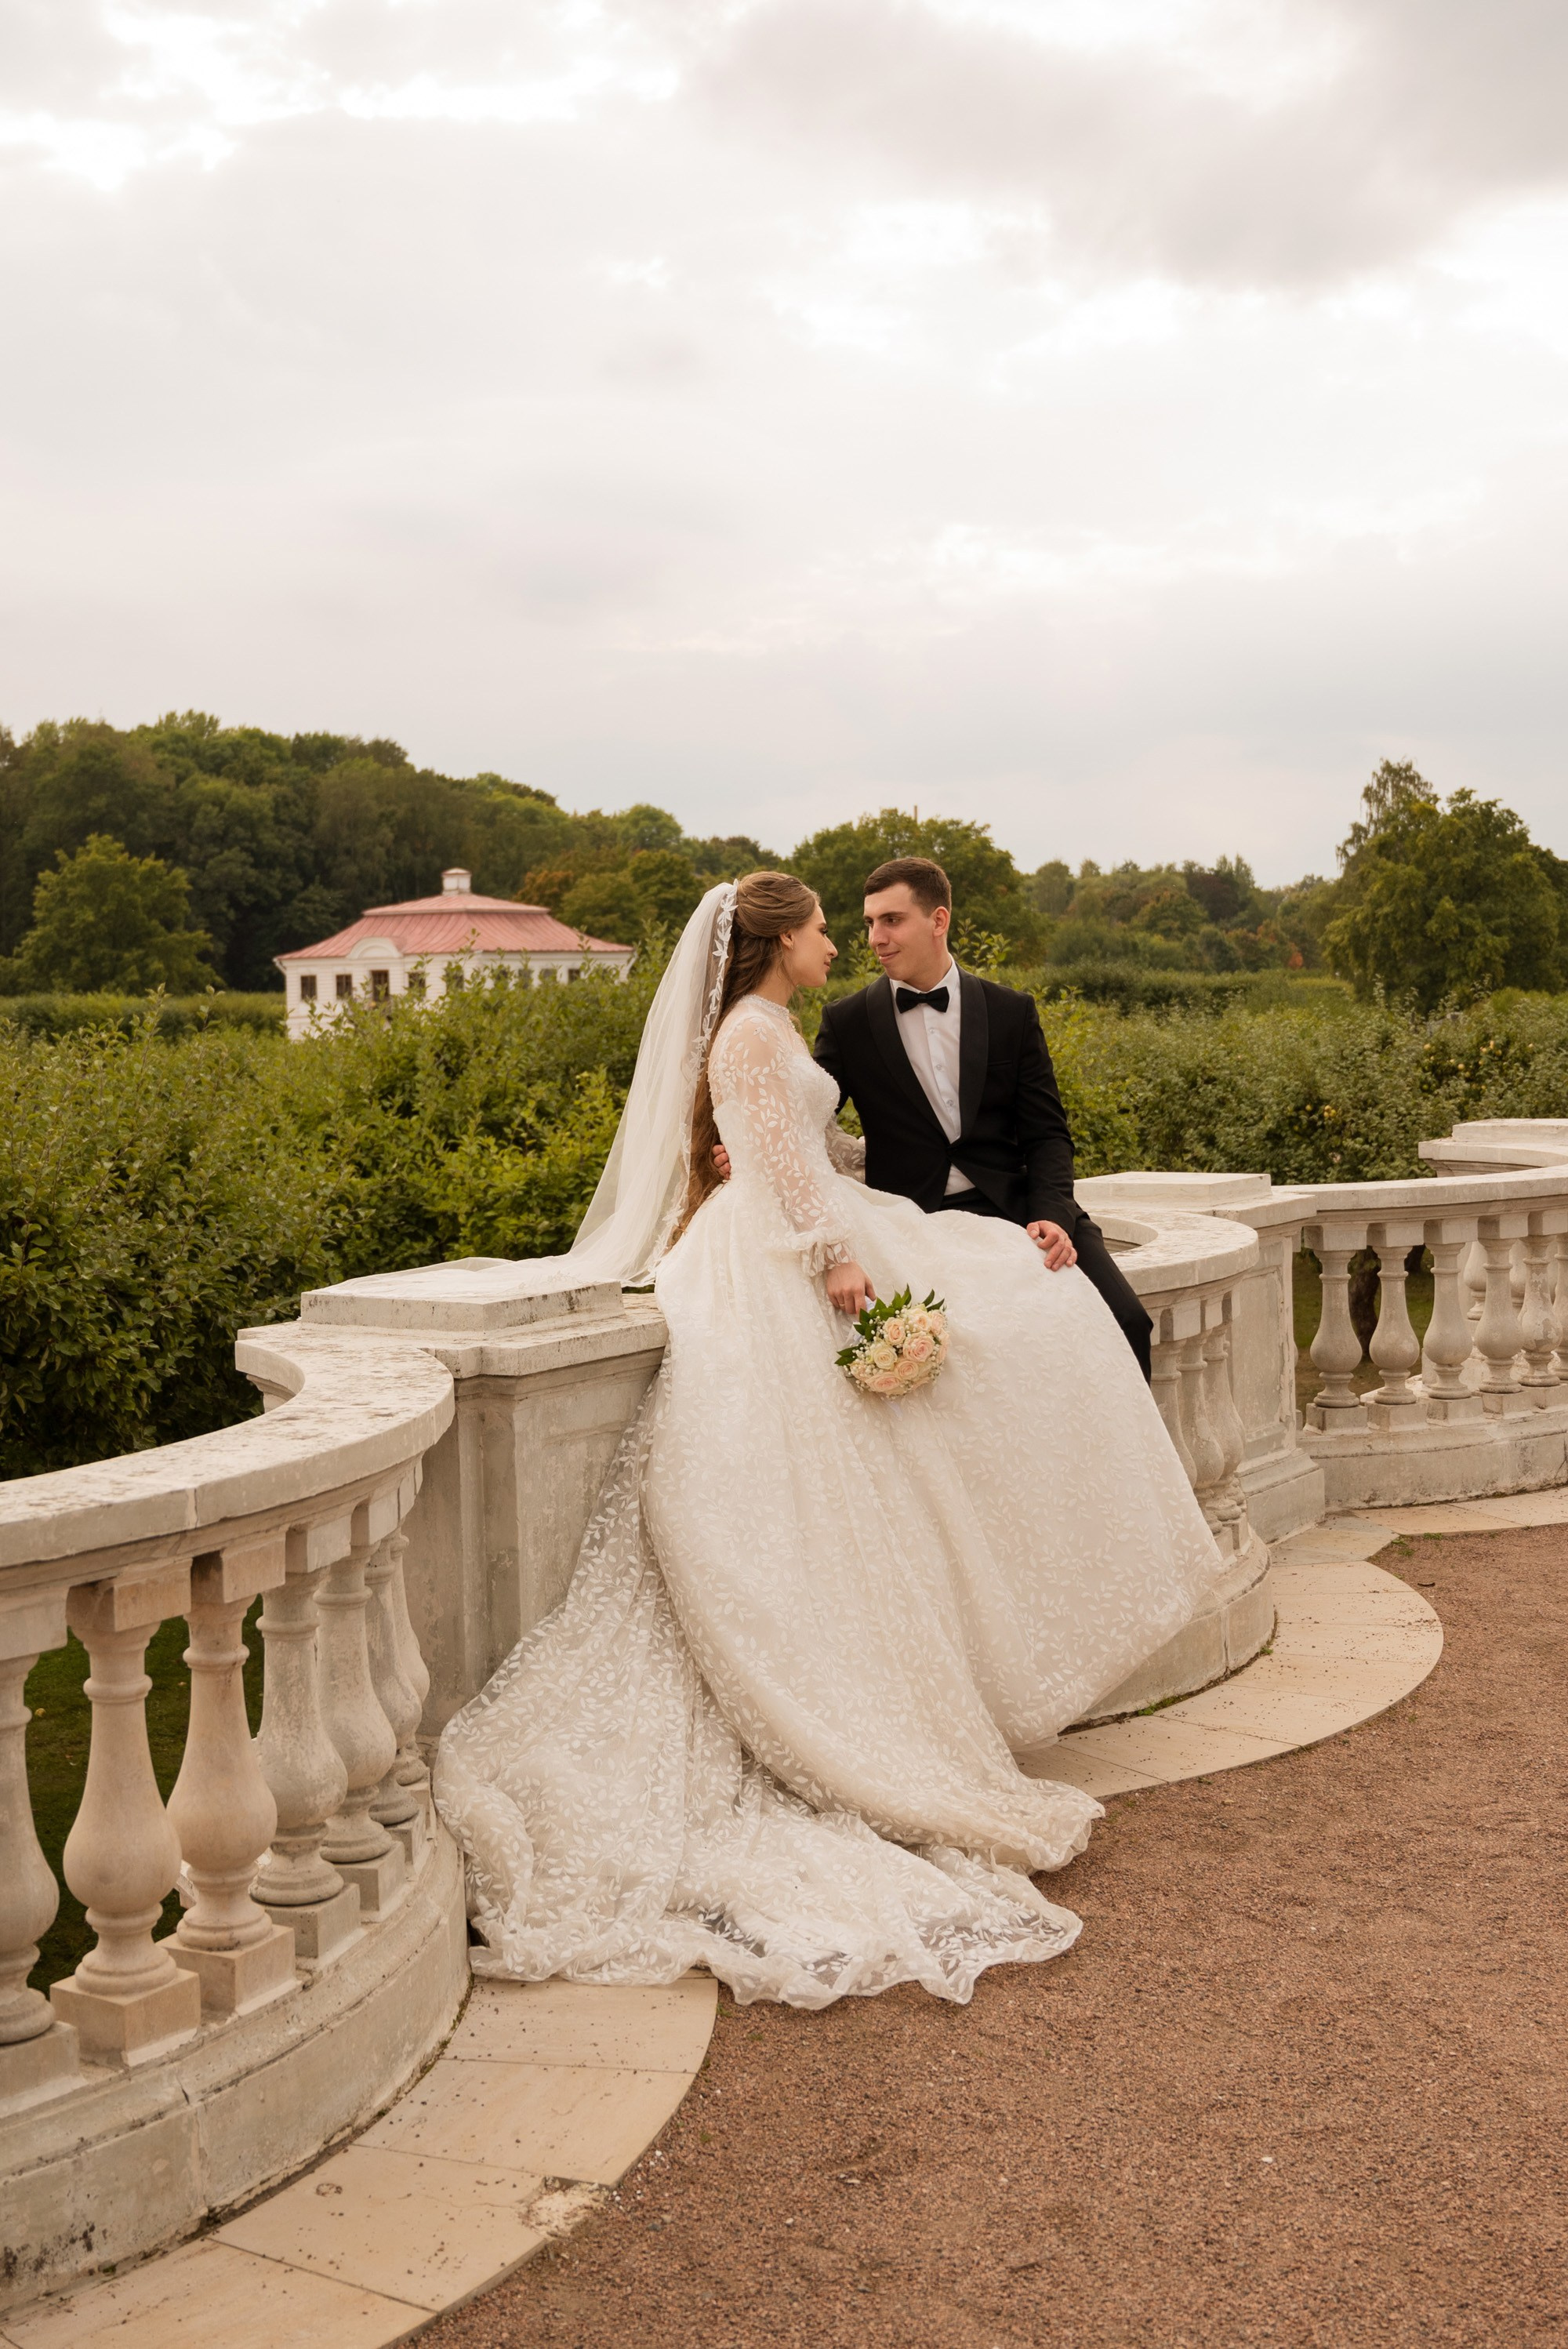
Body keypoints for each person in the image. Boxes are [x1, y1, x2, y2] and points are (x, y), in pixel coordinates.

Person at [434, 874, 1219, 2010]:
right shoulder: (764, 1036)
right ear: (773, 945)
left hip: (822, 1223)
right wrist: (829, 1253)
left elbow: (802, 1148)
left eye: (866, 924)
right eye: (819, 929)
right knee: (820, 1479)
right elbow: (772, 1153)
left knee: (1029, 1326)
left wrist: (812, 1191)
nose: (839, 944)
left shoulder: (776, 1029)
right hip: (783, 1262)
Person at [718, 856, 1152, 1377]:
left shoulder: (1011, 1011)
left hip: (1016, 1208)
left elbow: (1047, 1134)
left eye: (892, 920)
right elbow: (804, 1114)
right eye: (869, 923)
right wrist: (750, 1151)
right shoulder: (848, 1022)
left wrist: (1054, 1216)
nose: (876, 937)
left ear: (938, 920)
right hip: (914, 1222)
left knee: (1126, 1319)